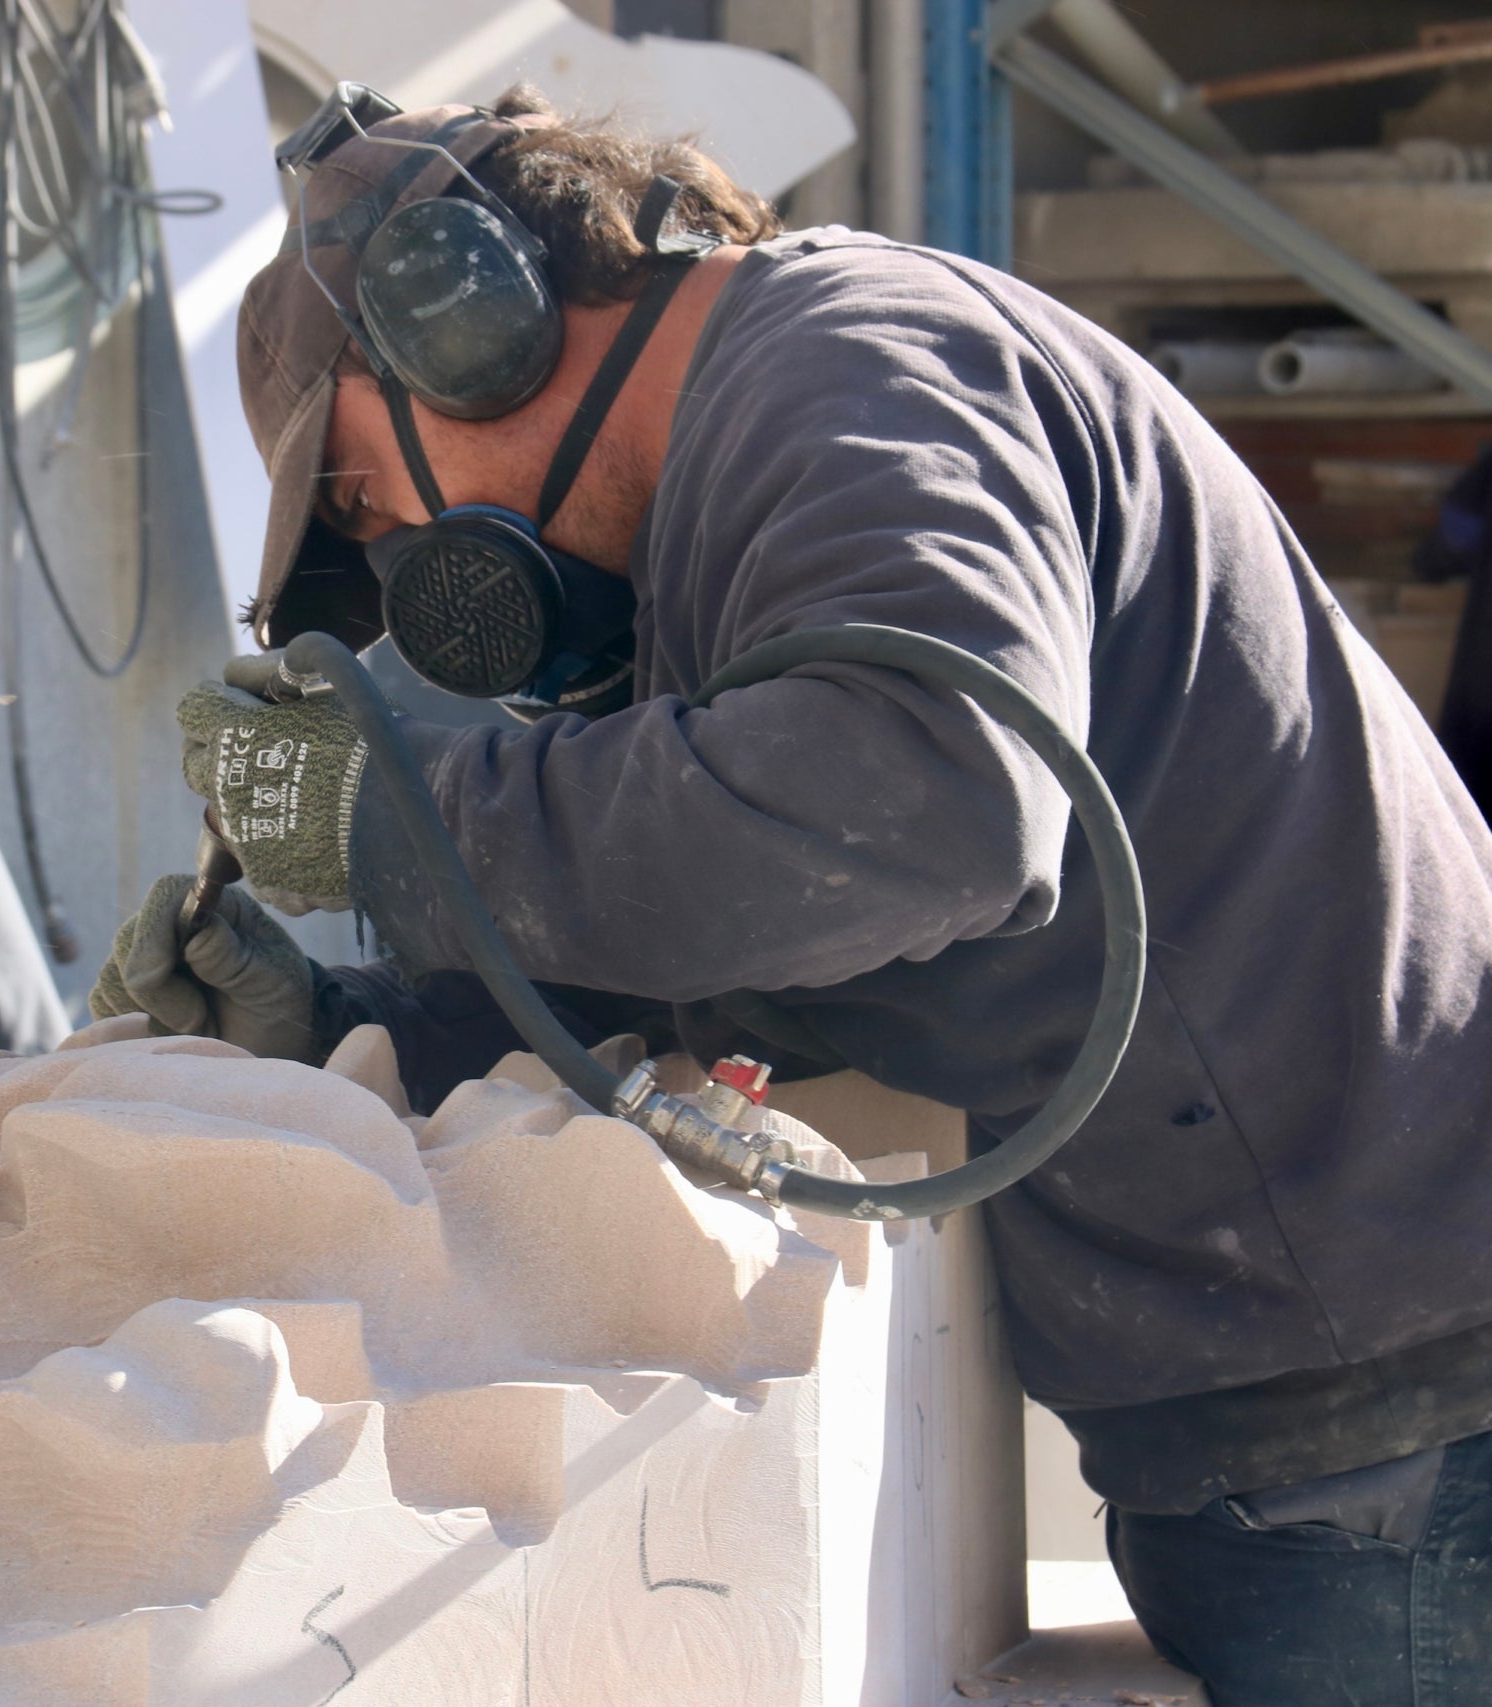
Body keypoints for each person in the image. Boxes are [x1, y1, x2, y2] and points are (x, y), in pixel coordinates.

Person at [89, 83, 1492, 1702]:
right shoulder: (739, 505)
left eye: (354, 493)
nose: (398, 545)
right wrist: (350, 1027)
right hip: (1311, 1416)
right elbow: (717, 948)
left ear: (470, 326)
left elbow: (924, 804)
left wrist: (394, 830)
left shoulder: (852, 367)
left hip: (1396, 1425)